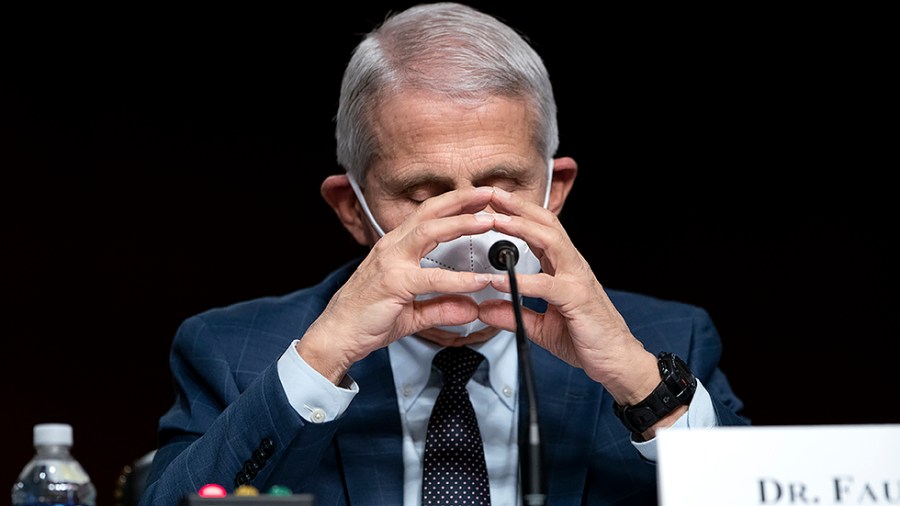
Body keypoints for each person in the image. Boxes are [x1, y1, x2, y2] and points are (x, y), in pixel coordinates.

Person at [140, 2, 749, 505]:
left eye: (502, 186)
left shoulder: (671, 342)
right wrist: (321, 359)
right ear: (351, 209)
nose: (467, 228)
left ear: (554, 191)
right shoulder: (233, 353)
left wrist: (641, 384)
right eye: (421, 195)